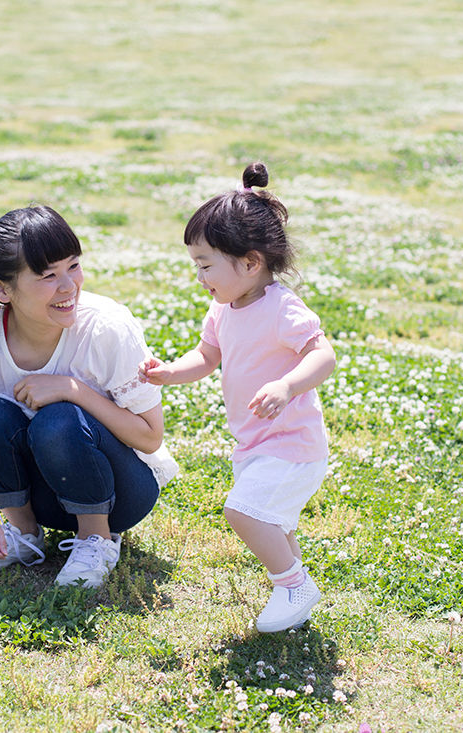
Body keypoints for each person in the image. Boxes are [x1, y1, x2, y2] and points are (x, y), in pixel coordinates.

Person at [0, 205, 178, 589]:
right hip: (45, 493)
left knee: (59, 419)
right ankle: (23, 533)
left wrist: (72, 390)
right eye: (48, 275)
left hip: (122, 492)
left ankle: (96, 539)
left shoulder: (106, 328)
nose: (69, 287)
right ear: (0, 288)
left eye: (73, 266)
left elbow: (150, 436)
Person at [139, 163, 335, 632]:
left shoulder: (282, 308)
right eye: (197, 265)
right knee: (277, 524)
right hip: (254, 444)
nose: (200, 276)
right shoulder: (223, 308)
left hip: (292, 444)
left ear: (250, 263)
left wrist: (287, 385)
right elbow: (207, 357)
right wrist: (168, 373)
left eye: (206, 265)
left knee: (243, 511)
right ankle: (294, 596)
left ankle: (294, 585)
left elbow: (323, 356)